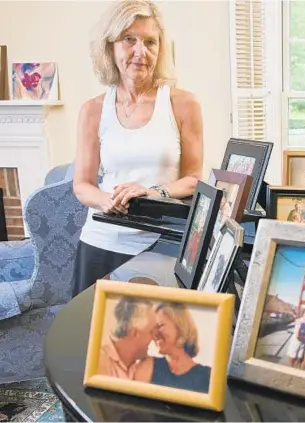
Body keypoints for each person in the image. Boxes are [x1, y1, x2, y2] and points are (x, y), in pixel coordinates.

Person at [72, 0, 203, 298]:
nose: (140, 52)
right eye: (129, 39)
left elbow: (194, 179)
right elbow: (82, 185)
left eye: (150, 42)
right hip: (100, 243)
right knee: (91, 342)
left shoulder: (184, 104)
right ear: (111, 47)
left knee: (156, 342)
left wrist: (153, 192)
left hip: (162, 244)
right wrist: (107, 200)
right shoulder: (92, 110)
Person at [134, 302, 211, 392]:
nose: (154, 335)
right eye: (152, 330)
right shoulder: (148, 365)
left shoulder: (208, 376)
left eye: (160, 326)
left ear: (179, 325)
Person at [97, 297, 156, 379]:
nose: (154, 338)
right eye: (151, 332)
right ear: (134, 333)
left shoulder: (143, 366)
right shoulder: (99, 360)